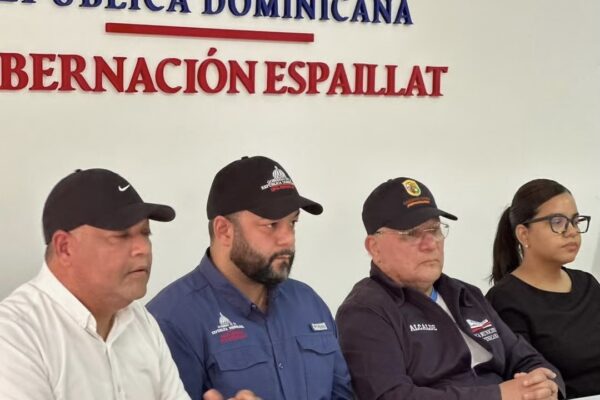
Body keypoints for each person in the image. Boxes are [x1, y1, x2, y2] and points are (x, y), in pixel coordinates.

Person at [0, 168, 254, 400]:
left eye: (145, 233)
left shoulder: (141, 322)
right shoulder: (15, 336)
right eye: (121, 236)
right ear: (65, 248)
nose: (143, 248)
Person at [336, 177, 565, 400]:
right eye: (412, 234)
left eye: (434, 229)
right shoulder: (366, 311)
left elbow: (526, 358)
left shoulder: (466, 295)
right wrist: (497, 395)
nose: (430, 244)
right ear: (374, 247)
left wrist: (547, 387)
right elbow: (390, 395)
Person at [147, 156, 353, 400]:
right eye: (271, 225)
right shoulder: (171, 320)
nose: (287, 239)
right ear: (224, 230)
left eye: (292, 223)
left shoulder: (309, 303)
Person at [486, 178, 600, 398]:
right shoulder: (505, 299)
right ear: (523, 234)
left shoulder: (588, 284)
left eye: (575, 221)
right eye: (557, 222)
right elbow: (528, 378)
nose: (572, 231)